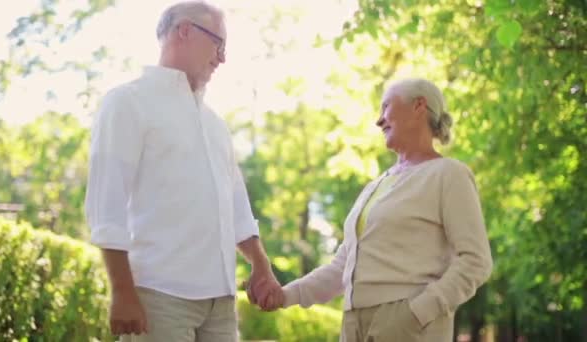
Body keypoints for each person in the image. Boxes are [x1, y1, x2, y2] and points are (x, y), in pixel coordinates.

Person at [84, 1, 282, 340]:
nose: (222, 58)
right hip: (158, 297)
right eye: (219, 44)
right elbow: (106, 206)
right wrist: (122, 291)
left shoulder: (215, 124)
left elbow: (236, 206)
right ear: (185, 31)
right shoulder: (127, 102)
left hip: (221, 304)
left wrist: (260, 264)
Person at [267, 78, 493, 341]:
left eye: (386, 107)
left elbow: (476, 261)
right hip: (354, 325)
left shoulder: (448, 174)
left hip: (408, 324)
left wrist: (417, 313)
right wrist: (286, 295)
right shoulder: (376, 186)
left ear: (419, 105)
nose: (379, 120)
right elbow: (343, 267)